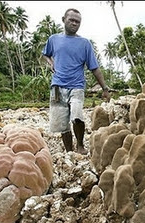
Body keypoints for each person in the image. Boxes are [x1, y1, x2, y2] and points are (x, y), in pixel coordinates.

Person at [42, 8, 110, 154]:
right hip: (57, 87)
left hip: (77, 86)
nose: (74, 23)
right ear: (63, 20)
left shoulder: (84, 43)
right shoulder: (53, 39)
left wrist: (104, 88)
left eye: (77, 21)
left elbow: (94, 68)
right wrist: (51, 62)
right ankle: (69, 151)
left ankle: (80, 145)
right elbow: (45, 54)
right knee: (61, 122)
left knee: (77, 116)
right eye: (71, 20)